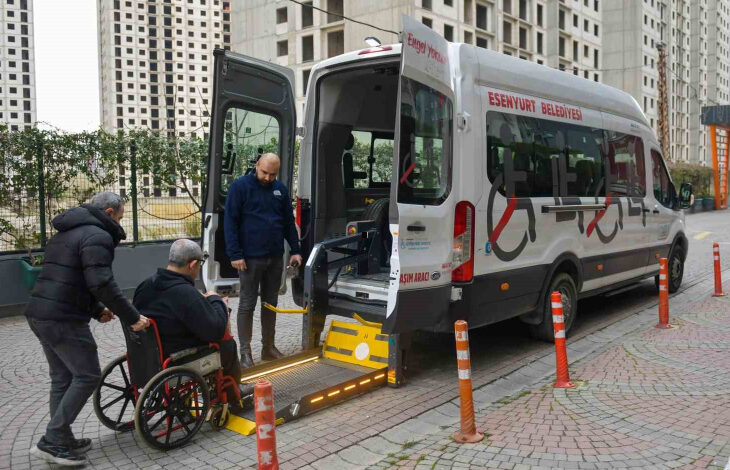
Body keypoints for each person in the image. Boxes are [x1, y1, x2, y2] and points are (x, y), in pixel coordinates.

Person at [25, 192, 150, 467]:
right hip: (62, 319)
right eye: (120, 215)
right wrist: (132, 317)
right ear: (108, 212)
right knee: (87, 375)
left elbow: (71, 276)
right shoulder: (98, 236)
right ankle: (53, 440)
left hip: (40, 313)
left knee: (62, 377)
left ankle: (62, 437)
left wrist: (96, 311)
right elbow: (101, 283)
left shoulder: (67, 231)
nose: (121, 220)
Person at [133, 239, 243, 393]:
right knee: (227, 345)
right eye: (199, 265)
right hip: (175, 360)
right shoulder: (185, 293)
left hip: (147, 359)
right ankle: (232, 394)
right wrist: (215, 299)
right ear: (192, 264)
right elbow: (215, 330)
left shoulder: (144, 286)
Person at [224, 152, 302, 368]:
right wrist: (235, 254)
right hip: (249, 259)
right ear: (257, 165)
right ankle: (245, 353)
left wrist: (295, 250)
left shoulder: (280, 190)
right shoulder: (240, 187)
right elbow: (230, 222)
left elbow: (288, 222)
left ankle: (268, 347)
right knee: (247, 304)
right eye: (264, 172)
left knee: (271, 303)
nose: (268, 178)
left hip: (275, 257)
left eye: (272, 174)